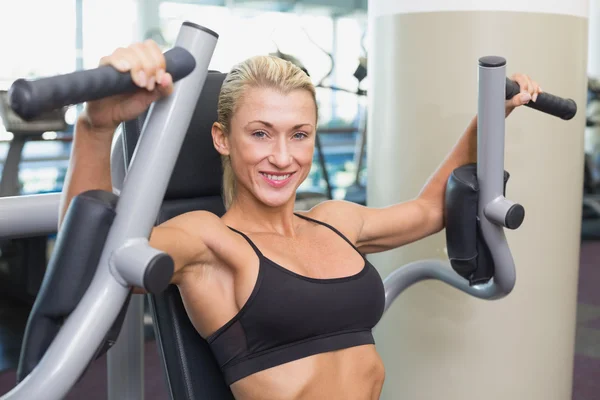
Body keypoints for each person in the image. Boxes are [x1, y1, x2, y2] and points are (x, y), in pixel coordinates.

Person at [59, 39, 542, 400]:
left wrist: (489, 118)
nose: (282, 157)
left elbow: (429, 209)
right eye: (261, 134)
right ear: (222, 139)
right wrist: (96, 129)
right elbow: (92, 268)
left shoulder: (335, 221)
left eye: (300, 134)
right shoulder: (208, 239)